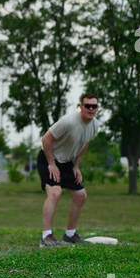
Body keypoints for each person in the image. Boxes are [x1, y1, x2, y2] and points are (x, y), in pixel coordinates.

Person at [37, 93, 100, 246]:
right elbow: (46, 139)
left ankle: (70, 235)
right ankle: (46, 236)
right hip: (48, 158)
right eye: (87, 106)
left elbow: (85, 144)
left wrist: (76, 166)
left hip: (67, 162)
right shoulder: (69, 121)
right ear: (81, 107)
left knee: (81, 195)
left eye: (94, 106)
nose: (91, 109)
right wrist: (51, 164)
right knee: (55, 192)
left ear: (97, 108)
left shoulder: (95, 125)